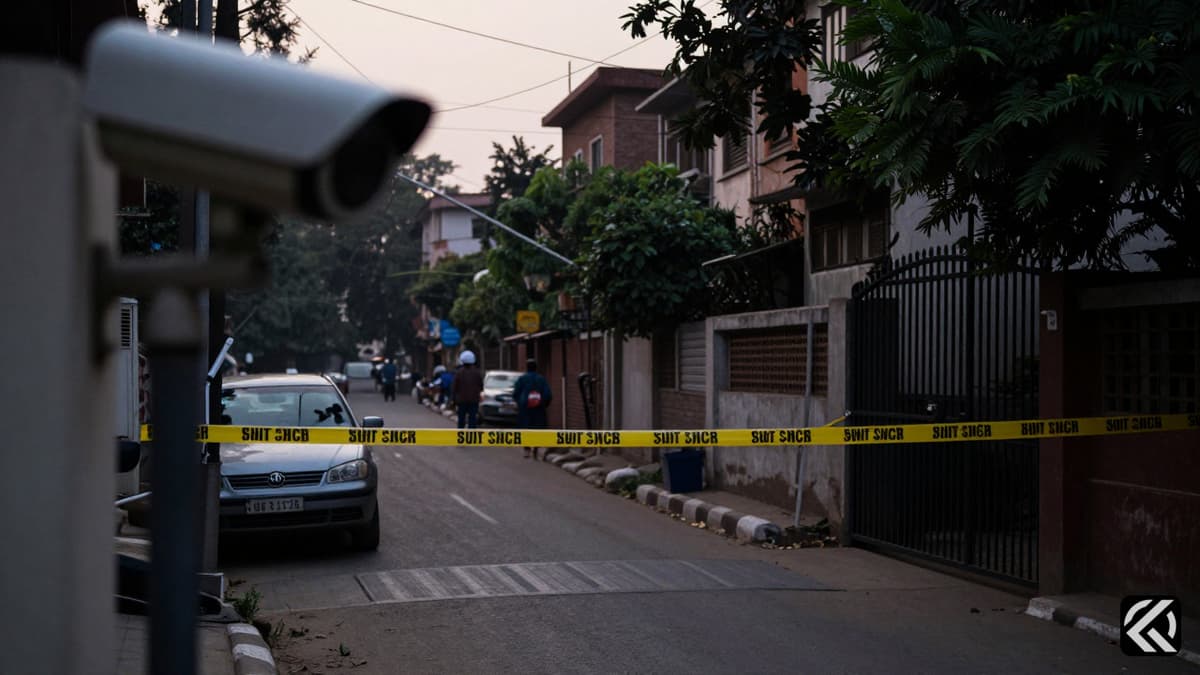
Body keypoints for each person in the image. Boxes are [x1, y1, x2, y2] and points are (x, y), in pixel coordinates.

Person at [513, 358, 552, 459]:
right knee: (538, 427)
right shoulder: (541, 379)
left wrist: (519, 403)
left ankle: (527, 449)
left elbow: (516, 393)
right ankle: (536, 448)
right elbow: (547, 394)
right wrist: (544, 403)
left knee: (526, 427)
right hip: (539, 408)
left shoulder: (522, 379)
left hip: (525, 408)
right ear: (536, 368)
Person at [451, 350, 484, 429]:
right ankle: (471, 438)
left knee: (461, 419)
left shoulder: (459, 373)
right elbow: (481, 386)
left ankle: (461, 435)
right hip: (474, 400)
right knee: (472, 419)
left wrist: (453, 400)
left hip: (461, 400)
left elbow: (454, 387)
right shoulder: (477, 373)